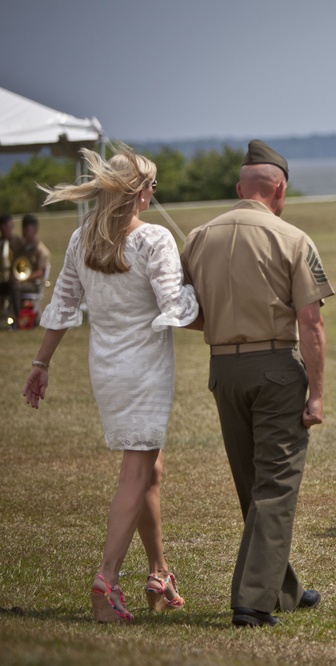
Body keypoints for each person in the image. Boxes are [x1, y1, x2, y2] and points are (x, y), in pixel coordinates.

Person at [22, 145, 200, 623]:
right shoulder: (154, 239)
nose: (153, 195)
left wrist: (41, 364)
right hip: (143, 370)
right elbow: (175, 306)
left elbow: (61, 306)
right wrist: (210, 299)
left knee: (150, 467)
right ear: (141, 193)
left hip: (107, 369)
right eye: (152, 187)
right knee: (136, 472)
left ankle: (159, 573)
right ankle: (107, 580)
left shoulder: (83, 238)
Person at [181, 139, 333, 627]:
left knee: (251, 483)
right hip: (274, 369)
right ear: (280, 188)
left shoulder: (199, 236)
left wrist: (228, 325)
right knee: (277, 483)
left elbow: (183, 313)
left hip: (223, 369)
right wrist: (317, 392)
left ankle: (281, 587)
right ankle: (251, 600)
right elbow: (311, 323)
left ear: (239, 187)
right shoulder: (292, 238)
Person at [1, 212, 25, 328]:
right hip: (2, 279)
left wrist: (16, 275)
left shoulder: (19, 242)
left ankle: (16, 320)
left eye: (8, 226)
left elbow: (24, 262)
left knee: (15, 288)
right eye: (4, 226)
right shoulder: (1, 243)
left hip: (16, 279)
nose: (6, 229)